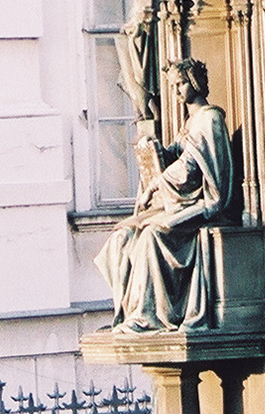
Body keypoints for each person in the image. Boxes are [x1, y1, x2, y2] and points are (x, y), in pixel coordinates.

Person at [94, 59, 233, 331]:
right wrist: (154, 150)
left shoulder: (210, 119)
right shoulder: (190, 122)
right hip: (181, 202)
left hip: (204, 204)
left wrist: (155, 184)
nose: (177, 91)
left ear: (194, 82)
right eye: (173, 86)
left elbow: (190, 168)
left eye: (180, 84)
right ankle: (128, 312)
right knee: (122, 237)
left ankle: (149, 316)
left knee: (152, 236)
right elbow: (177, 158)